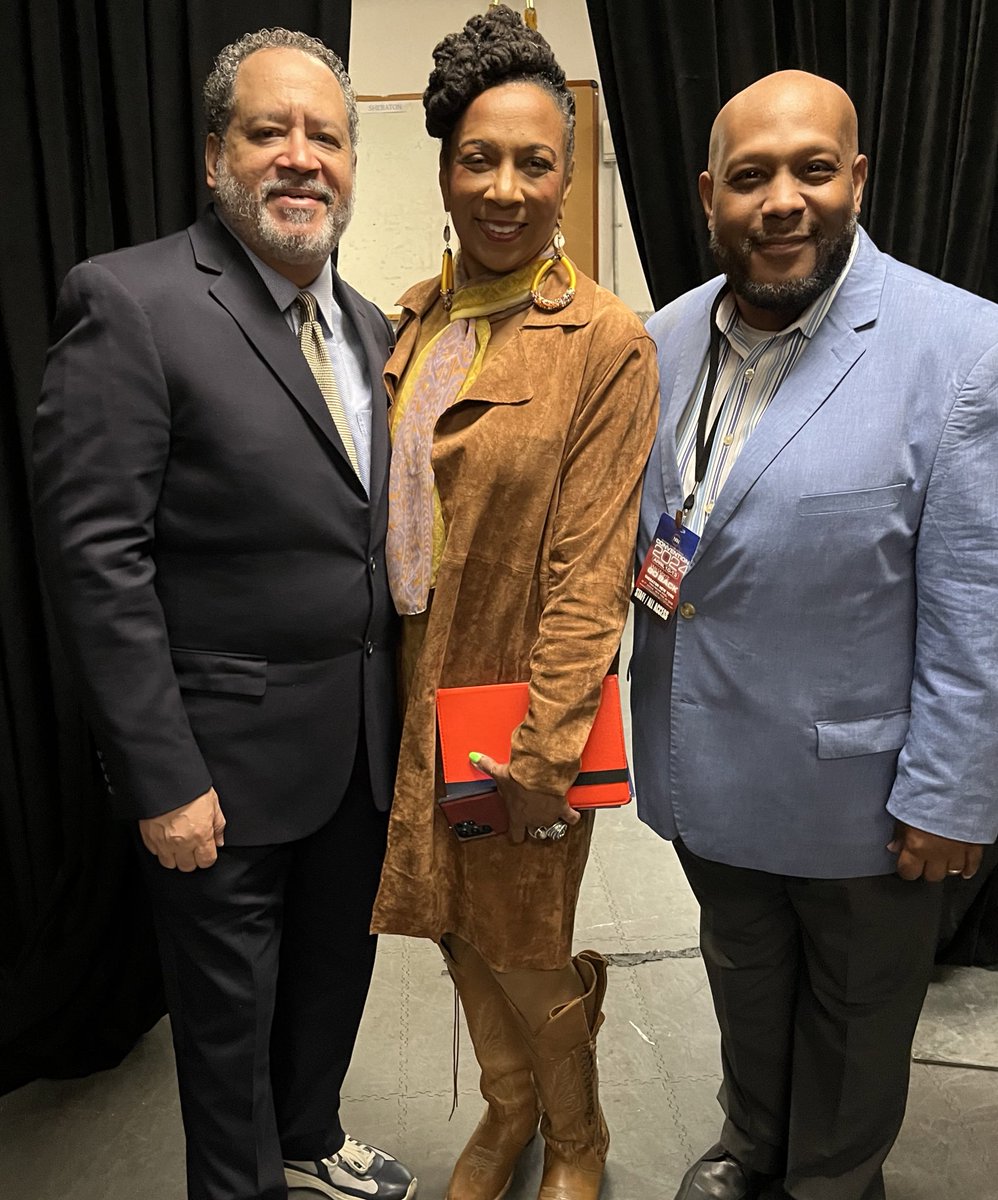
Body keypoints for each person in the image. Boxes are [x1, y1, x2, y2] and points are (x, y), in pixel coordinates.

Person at [33, 27, 416, 1200]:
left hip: (358, 749)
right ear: (215, 157)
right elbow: (97, 555)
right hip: (220, 769)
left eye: (327, 137)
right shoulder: (131, 302)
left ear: (352, 163)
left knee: (328, 982)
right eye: (269, 132)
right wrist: (160, 777)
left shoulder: (373, 332)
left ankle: (308, 1140)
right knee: (225, 1028)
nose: (301, 159)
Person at [630, 69, 998, 1200]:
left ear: (856, 178)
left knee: (851, 1021)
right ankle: (752, 1146)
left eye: (810, 169)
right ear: (708, 195)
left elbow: (975, 601)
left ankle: (830, 1181)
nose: (780, 200)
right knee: (744, 982)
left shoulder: (960, 347)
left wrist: (950, 793)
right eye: (749, 177)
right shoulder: (659, 342)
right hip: (707, 776)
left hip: (862, 796)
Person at [368, 9, 658, 1200]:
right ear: (441, 169)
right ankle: (507, 1108)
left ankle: (575, 1136)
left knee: (526, 941)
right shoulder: (416, 322)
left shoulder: (604, 343)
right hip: (406, 696)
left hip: (517, 708)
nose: (503, 186)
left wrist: (543, 747)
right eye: (477, 157)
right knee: (448, 924)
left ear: (566, 171)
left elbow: (590, 570)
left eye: (532, 161)